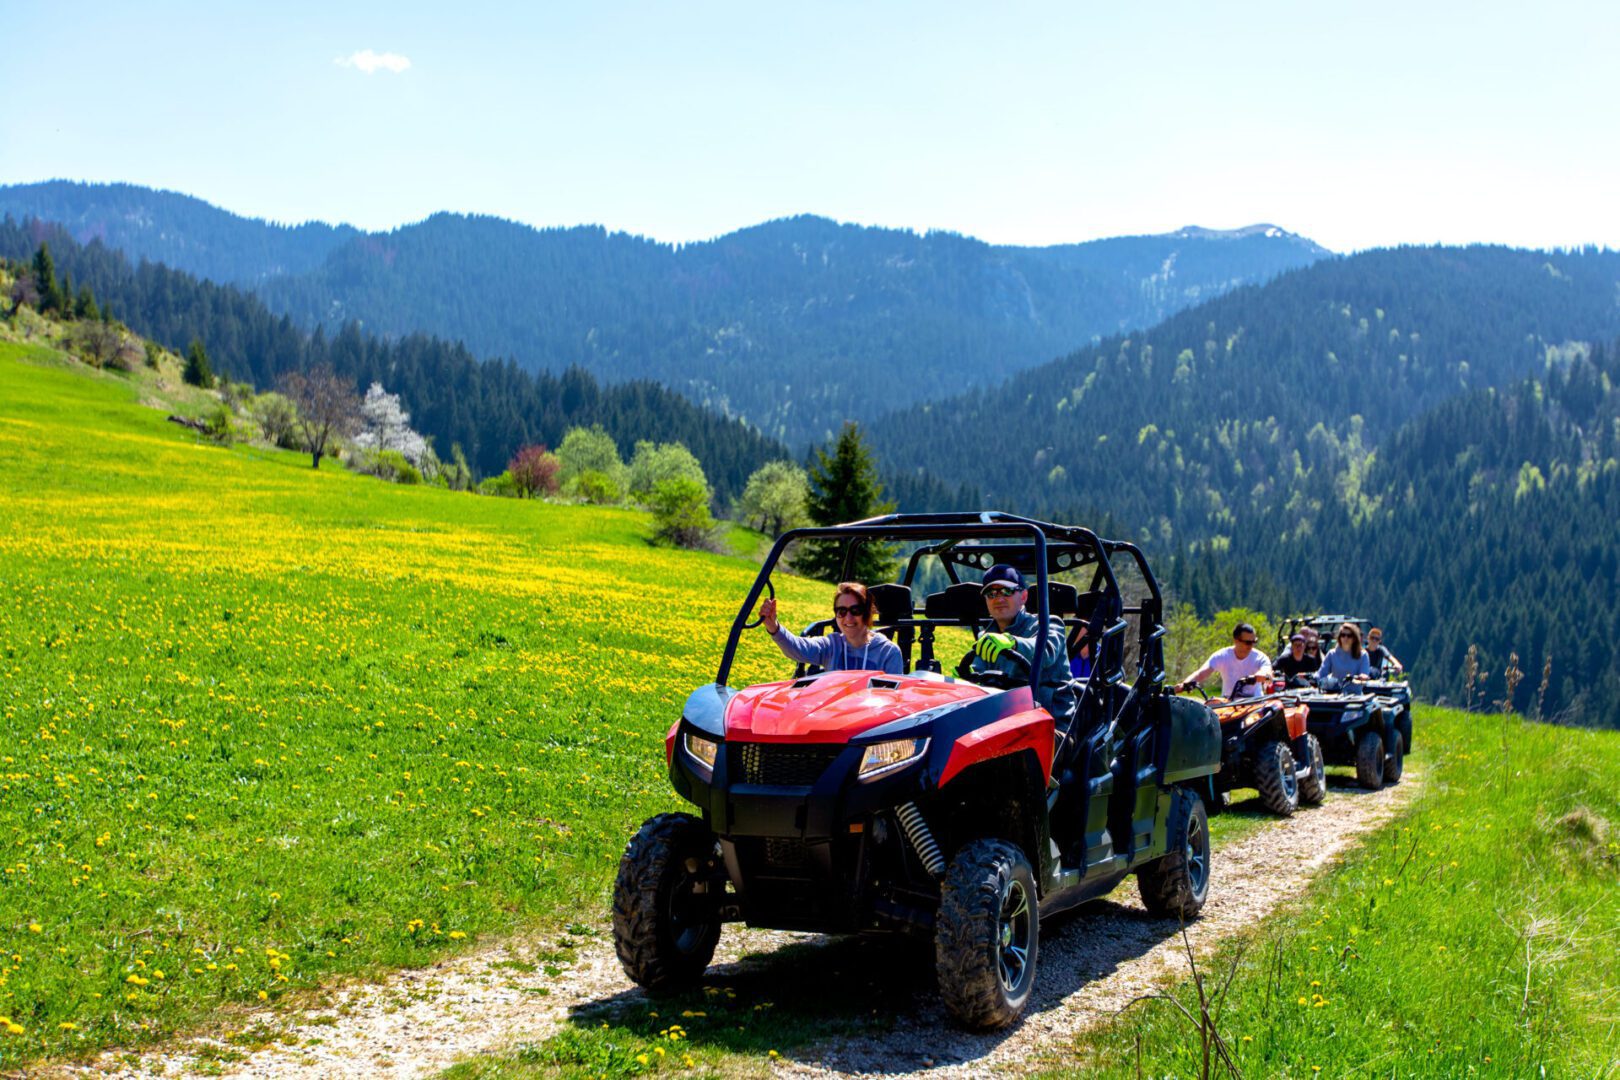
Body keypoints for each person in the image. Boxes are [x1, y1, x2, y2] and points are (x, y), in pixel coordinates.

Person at [968, 564, 1076, 725]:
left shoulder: (1049, 624)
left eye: (1007, 591)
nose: (999, 599)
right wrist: (965, 680)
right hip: (1001, 723)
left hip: (1051, 723)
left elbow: (1045, 652)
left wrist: (1012, 642)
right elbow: (977, 673)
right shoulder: (986, 637)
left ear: (1024, 596)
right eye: (991, 594)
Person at [759, 581, 903, 674]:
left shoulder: (888, 652)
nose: (848, 618)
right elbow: (797, 648)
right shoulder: (831, 645)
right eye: (841, 611)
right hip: (834, 717)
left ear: (867, 612)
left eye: (855, 610)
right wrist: (774, 627)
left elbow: (893, 701)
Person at [1176, 622, 1273, 699]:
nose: (1251, 645)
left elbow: (1268, 674)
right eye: (1248, 642)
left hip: (1254, 703)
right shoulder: (1222, 655)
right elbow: (1202, 673)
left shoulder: (1260, 657)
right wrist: (1184, 685)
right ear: (1236, 640)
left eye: (1254, 642)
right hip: (1229, 703)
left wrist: (1263, 675)